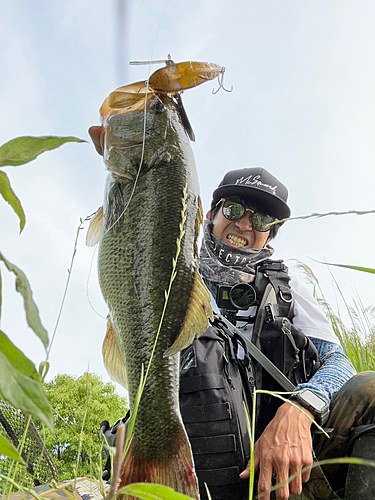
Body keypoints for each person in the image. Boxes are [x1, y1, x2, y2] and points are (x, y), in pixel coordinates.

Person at [89, 127, 375, 500]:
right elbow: (138, 225)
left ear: (269, 237)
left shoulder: (288, 290)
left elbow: (339, 364)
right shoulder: (172, 266)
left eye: (261, 221)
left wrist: (301, 408)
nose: (244, 225)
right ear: (210, 213)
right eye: (235, 209)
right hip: (196, 449)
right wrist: (132, 155)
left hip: (278, 470)